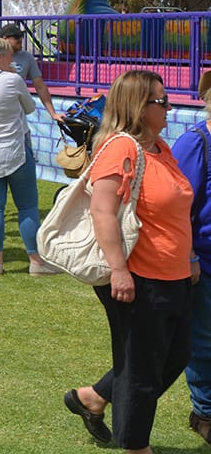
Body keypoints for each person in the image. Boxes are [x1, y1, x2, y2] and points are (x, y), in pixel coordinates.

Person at [65, 70, 196, 453]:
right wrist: (119, 270)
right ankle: (137, 446)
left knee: (176, 355)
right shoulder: (120, 149)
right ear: (139, 107)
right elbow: (103, 212)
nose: (169, 105)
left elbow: (174, 210)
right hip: (139, 279)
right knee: (141, 370)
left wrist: (188, 257)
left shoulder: (158, 147)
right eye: (161, 100)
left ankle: (94, 397)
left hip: (174, 275)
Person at [0, 37, 57, 276]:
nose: (13, 60)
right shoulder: (14, 80)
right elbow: (29, 108)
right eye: (9, 56)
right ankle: (35, 261)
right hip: (15, 150)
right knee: (27, 206)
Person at [171, 70, 211, 444]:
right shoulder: (196, 142)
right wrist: (191, 257)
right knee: (204, 338)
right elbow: (177, 207)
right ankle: (205, 412)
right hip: (205, 260)